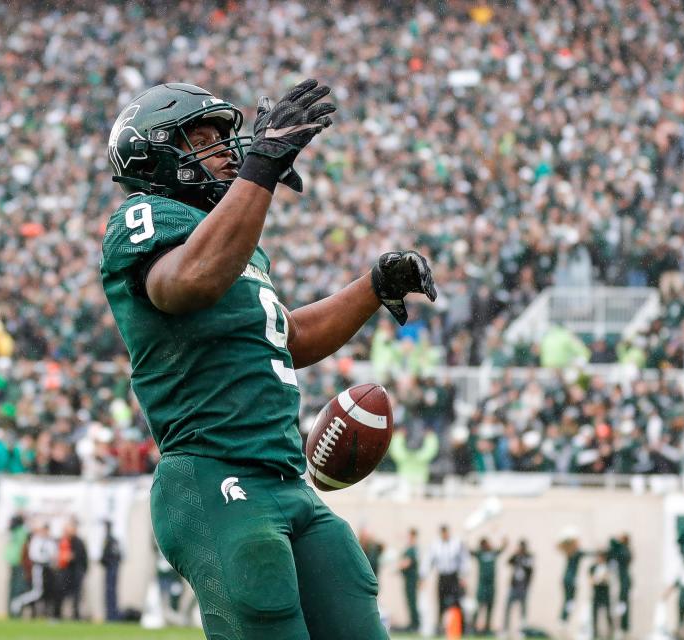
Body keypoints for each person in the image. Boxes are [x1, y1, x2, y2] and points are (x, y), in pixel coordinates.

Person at [100, 79, 436, 640]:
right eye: (202, 139)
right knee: (264, 604)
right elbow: (186, 282)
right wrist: (261, 169)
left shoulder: (237, 247)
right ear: (156, 153)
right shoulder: (144, 217)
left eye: (227, 140)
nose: (226, 151)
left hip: (284, 475)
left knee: (354, 604)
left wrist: (372, 286)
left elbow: (289, 335)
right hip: (212, 472)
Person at [426, 524, 469, 631]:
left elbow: (464, 560)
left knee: (457, 602)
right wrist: (423, 576)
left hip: (454, 577)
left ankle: (461, 627)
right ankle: (440, 627)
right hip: (442, 576)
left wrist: (463, 576)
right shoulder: (435, 545)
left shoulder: (456, 543)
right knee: (441, 602)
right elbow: (429, 560)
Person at [10, 523, 56, 617]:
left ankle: (47, 614)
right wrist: (46, 559)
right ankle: (18, 602)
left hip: (48, 569)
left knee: (48, 592)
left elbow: (53, 555)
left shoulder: (50, 541)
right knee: (37, 592)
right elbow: (34, 556)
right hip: (39, 568)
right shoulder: (36, 540)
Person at [471, 536, 507, 635]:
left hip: (491, 585)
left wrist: (504, 540)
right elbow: (470, 551)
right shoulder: (480, 554)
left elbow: (502, 548)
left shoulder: (492, 553)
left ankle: (487, 628)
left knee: (490, 607)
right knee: (479, 606)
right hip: (482, 584)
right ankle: (473, 627)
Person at [56, 521, 88, 620]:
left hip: (76, 572)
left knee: (76, 596)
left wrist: (82, 571)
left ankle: (76, 615)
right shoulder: (62, 541)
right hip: (65, 572)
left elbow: (82, 558)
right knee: (60, 592)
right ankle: (57, 614)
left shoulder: (79, 542)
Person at [504, 540, 534, 636]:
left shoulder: (528, 557)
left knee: (523, 610)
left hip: (523, 587)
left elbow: (530, 568)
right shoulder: (516, 556)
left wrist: (522, 559)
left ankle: (522, 630)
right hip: (514, 586)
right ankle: (506, 629)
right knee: (508, 608)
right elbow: (508, 562)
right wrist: (514, 553)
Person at [558, 529, 585, 624]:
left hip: (566, 578)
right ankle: (563, 619)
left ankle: (563, 619)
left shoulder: (570, 551)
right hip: (570, 579)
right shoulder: (576, 552)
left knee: (568, 600)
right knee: (570, 600)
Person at [608, 534, 633, 636]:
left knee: (622, 604)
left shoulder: (625, 551)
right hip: (620, 581)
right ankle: (620, 628)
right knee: (620, 604)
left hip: (624, 582)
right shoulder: (620, 550)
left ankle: (623, 628)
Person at [5, 515, 29, 617]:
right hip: (14, 564)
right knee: (13, 588)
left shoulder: (22, 532)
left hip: (20, 564)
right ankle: (12, 612)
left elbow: (23, 549)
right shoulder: (15, 532)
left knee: (18, 589)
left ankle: (16, 612)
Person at [398, 528, 421, 633]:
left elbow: (407, 562)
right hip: (408, 579)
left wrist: (399, 566)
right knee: (410, 601)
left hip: (411, 580)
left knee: (412, 602)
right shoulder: (412, 548)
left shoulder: (413, 549)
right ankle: (413, 622)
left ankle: (415, 624)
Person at [589, 550, 613, 640]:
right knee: (594, 613)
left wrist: (602, 578)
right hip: (596, 593)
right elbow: (591, 581)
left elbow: (607, 579)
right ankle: (594, 634)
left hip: (605, 593)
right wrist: (598, 579)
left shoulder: (608, 567)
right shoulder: (593, 567)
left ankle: (610, 634)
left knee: (608, 613)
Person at [101, 521, 122, 621]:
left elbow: (105, 555)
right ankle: (113, 614)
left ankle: (110, 615)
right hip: (115, 568)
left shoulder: (108, 539)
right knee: (113, 592)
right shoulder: (115, 540)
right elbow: (119, 556)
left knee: (109, 592)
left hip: (110, 568)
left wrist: (103, 562)